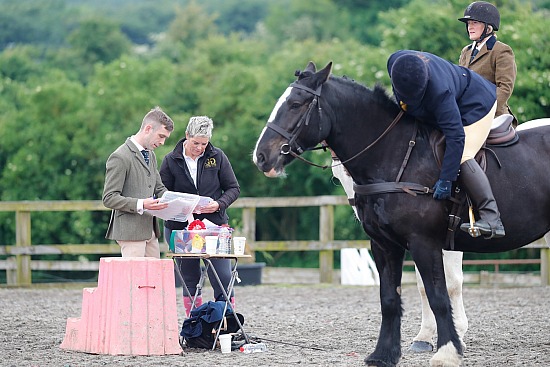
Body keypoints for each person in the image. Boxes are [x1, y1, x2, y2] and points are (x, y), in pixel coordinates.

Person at [387, 50, 505, 239]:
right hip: (446, 96)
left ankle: (491, 217)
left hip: (476, 104)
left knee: (464, 154)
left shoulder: (440, 92)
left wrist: (447, 179)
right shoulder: (395, 62)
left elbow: (456, 136)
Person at [160, 116, 240, 317]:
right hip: (181, 228)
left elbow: (233, 188)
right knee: (189, 277)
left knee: (222, 275)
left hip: (215, 226)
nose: (200, 148)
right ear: (187, 136)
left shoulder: (218, 157)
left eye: (204, 144)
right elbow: (161, 193)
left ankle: (226, 321)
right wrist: (177, 206)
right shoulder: (170, 160)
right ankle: (194, 322)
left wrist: (218, 204)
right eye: (196, 143)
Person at [103, 106, 175, 257]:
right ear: (148, 129)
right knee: (134, 280)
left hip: (151, 231)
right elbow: (109, 198)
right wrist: (142, 204)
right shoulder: (120, 157)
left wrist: (179, 202)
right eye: (161, 136)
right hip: (130, 233)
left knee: (154, 280)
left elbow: (159, 189)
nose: (162, 142)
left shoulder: (151, 155)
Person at [458, 1, 517, 126]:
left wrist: (481, 110)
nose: (470, 27)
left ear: (488, 27)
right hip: (466, 114)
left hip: (493, 116)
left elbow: (505, 88)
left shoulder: (501, 50)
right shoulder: (466, 51)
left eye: (475, 23)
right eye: (468, 23)